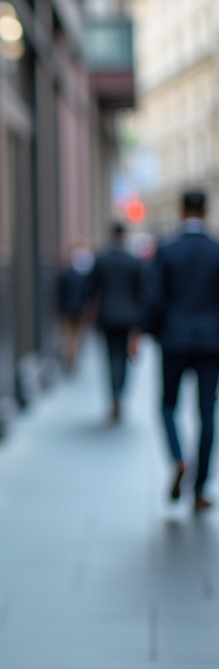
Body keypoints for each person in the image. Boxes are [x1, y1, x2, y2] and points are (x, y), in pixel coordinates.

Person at [144, 190, 219, 513]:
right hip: (211, 342)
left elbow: (154, 298)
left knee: (167, 405)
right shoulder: (216, 250)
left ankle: (177, 458)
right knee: (207, 413)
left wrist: (149, 333)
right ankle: (200, 489)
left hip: (174, 339)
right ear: (206, 211)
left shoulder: (167, 249)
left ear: (180, 211)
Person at [85, 223, 143, 421]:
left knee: (111, 357)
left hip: (107, 316)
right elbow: (141, 291)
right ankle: (120, 394)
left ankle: (114, 395)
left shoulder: (102, 259)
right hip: (128, 316)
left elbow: (90, 287)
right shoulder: (133, 260)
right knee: (124, 358)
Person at [56, 242, 93, 372]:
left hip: (66, 309)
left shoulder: (64, 275)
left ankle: (69, 357)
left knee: (68, 336)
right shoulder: (82, 277)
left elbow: (59, 293)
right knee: (76, 335)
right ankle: (72, 357)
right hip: (78, 310)